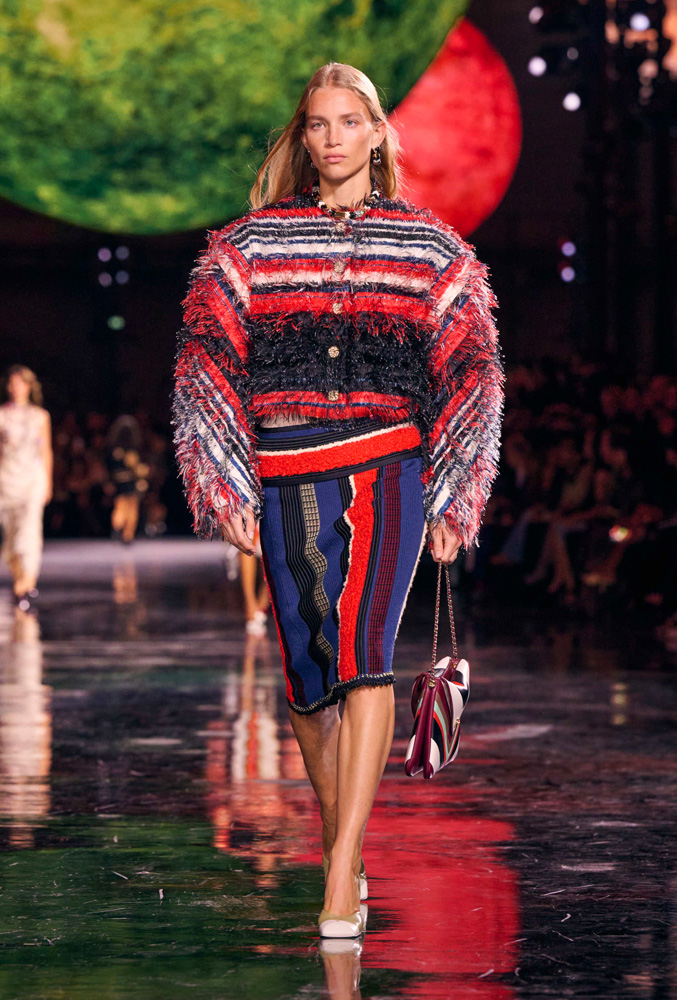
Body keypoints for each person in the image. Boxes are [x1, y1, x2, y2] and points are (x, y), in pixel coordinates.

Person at [173, 62, 503, 938]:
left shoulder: (429, 248)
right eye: (317, 123)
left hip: (389, 468)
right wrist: (220, 478)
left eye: (348, 122)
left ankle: (338, 878)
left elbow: (472, 369)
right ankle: (341, 847)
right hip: (284, 470)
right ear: (302, 136)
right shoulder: (248, 247)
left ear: (376, 133)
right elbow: (205, 360)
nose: (331, 139)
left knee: (364, 660)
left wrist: (456, 492)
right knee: (309, 683)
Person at [0, 366, 53, 610]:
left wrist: (48, 481)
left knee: (29, 530)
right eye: (12, 383)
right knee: (11, 533)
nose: (16, 387)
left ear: (29, 386)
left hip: (32, 479)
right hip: (7, 480)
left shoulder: (40, 416)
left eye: (20, 383)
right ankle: (18, 579)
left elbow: (45, 451)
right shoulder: (2, 415)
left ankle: (27, 583)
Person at [106, 416, 149, 544]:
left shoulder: (113, 450)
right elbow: (137, 468)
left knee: (122, 505)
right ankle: (126, 533)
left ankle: (121, 530)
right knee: (130, 506)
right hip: (129, 481)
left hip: (121, 482)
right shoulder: (131, 451)